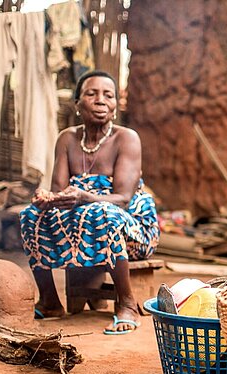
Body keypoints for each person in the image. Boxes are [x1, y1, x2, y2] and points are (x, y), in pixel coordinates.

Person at [19, 70, 160, 335]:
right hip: (81, 219)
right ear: (77, 104)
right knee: (29, 215)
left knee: (103, 212)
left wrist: (85, 197)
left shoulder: (126, 138)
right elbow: (59, 192)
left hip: (130, 226)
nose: (100, 100)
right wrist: (46, 199)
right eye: (91, 93)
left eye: (108, 95)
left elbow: (123, 200)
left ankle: (127, 305)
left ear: (116, 105)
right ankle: (49, 301)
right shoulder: (67, 139)